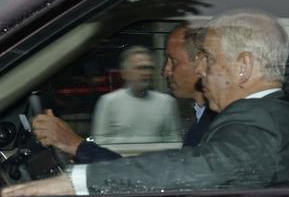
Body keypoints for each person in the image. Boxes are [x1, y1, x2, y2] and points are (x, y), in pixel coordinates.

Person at [2, 10, 289, 197]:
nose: (201, 70)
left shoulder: (258, 120)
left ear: (243, 67)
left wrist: (75, 183)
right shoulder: (272, 113)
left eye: (208, 59)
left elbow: (205, 168)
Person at [32, 25, 216, 162]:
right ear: (125, 72)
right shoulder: (201, 117)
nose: (165, 71)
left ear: (201, 63)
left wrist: (75, 145)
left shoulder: (216, 124)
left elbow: (162, 178)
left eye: (173, 62)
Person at [90, 45, 181, 145]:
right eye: (140, 68)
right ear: (125, 73)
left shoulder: (166, 102)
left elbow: (174, 141)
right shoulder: (108, 102)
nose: (146, 73)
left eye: (149, 68)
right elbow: (99, 143)